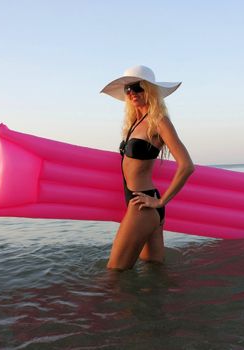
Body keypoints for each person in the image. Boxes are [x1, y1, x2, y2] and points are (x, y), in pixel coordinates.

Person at [101, 65, 195, 270]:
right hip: (142, 204)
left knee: (114, 272)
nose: (132, 93)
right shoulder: (135, 122)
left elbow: (187, 165)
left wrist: (160, 201)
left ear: (150, 89)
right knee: (153, 270)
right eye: (128, 89)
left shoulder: (159, 121)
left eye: (137, 87)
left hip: (143, 204)